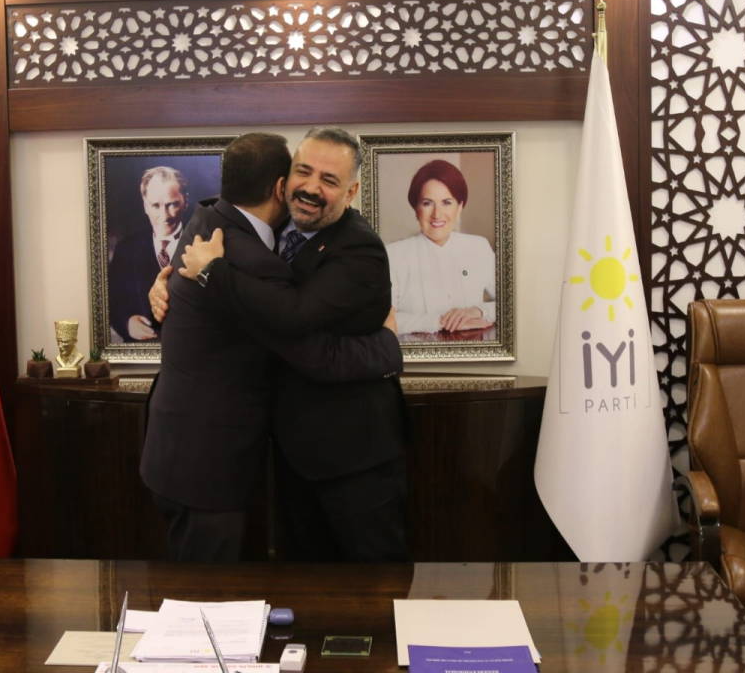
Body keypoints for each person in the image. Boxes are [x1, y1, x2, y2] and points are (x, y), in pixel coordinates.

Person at [141, 132, 402, 562]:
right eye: (304, 171)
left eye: (329, 179)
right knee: (279, 587)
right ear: (283, 184)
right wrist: (164, 291)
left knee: (374, 582)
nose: (311, 187)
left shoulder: (357, 247)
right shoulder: (245, 233)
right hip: (257, 459)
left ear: (352, 190)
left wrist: (389, 351)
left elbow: (299, 332)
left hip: (351, 456)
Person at [385, 159, 497, 336]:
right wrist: (441, 321)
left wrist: (479, 311)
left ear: (460, 207)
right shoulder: (394, 254)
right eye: (427, 203)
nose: (437, 214)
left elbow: (512, 303)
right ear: (416, 209)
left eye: (446, 202)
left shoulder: (479, 247)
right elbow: (384, 320)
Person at [107, 166, 188, 342]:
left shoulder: (205, 243)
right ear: (145, 206)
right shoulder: (126, 249)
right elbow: (111, 302)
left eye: (172, 204)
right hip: (144, 351)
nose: (164, 215)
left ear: (185, 202)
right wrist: (127, 323)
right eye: (155, 206)